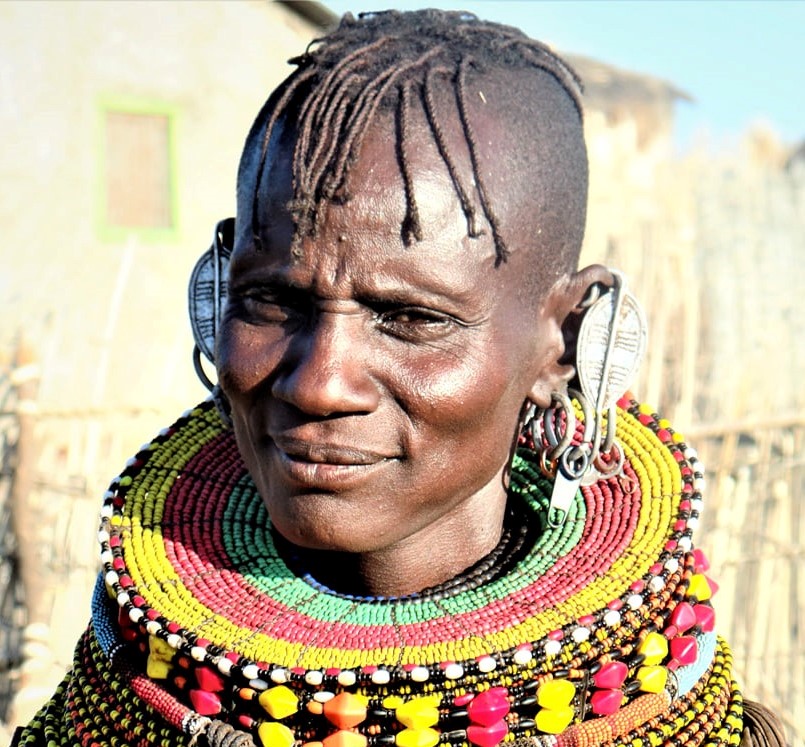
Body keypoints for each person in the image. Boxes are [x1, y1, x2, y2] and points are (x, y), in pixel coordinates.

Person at [14, 9, 785, 747]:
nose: (319, 385)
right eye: (272, 300)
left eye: (411, 319)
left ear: (564, 343)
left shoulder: (663, 700)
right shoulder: (128, 674)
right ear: (214, 291)